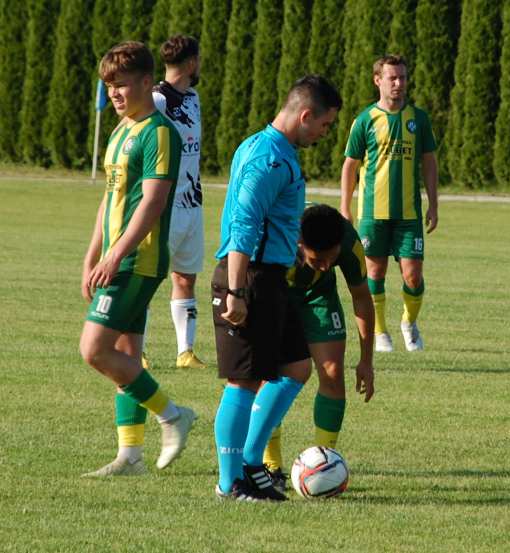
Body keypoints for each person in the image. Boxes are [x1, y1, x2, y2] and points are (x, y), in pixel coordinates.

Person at [212, 75, 342, 501]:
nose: (325, 133)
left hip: (270, 278)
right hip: (249, 277)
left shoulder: (268, 148)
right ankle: (230, 482)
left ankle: (251, 462)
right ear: (305, 116)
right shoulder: (268, 158)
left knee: (295, 368)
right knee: (242, 381)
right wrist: (236, 292)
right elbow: (244, 223)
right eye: (324, 125)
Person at [80, 41, 196, 477]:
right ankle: (130, 455)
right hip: (115, 258)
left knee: (94, 350)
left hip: (138, 262)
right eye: (109, 86)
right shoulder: (120, 130)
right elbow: (109, 199)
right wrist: (92, 255)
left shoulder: (159, 132)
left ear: (148, 82)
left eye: (122, 85)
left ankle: (172, 415)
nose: (114, 93)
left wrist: (115, 255)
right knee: (127, 354)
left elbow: (153, 202)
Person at [261, 203, 376, 489]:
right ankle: (270, 465)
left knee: (333, 372)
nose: (326, 266)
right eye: (317, 260)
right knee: (271, 375)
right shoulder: (279, 234)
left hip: (318, 297)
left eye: (330, 258)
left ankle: (326, 463)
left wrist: (366, 361)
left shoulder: (348, 242)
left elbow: (361, 297)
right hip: (275, 294)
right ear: (300, 244)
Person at [340, 54, 438, 353]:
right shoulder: (365, 120)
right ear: (377, 80)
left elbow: (429, 162)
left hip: (408, 213)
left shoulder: (418, 119)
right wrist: (345, 208)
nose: (398, 83)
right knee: (375, 273)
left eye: (403, 77)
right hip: (373, 213)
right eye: (392, 78)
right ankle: (381, 332)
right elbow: (350, 166)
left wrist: (433, 204)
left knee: (413, 274)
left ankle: (409, 323)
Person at [149, 35, 206, 369]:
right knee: (147, 277)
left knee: (185, 277)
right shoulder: (156, 100)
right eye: (197, 59)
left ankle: (185, 351)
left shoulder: (194, 98)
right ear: (189, 63)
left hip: (193, 204)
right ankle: (136, 350)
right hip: (163, 206)